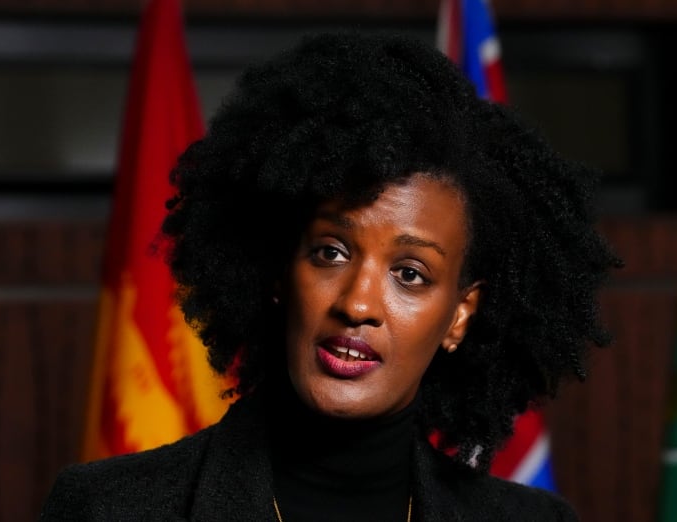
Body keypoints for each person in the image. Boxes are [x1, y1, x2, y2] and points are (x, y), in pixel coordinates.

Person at [39, 31, 621, 521]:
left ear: (460, 315)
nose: (358, 303)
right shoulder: (107, 508)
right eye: (331, 253)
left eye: (411, 274)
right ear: (276, 269)